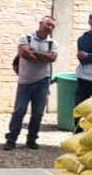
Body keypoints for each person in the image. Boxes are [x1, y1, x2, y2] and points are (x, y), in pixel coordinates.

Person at [5, 15, 59, 151]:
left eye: (52, 26)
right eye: (48, 24)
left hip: (43, 81)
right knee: (19, 111)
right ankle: (11, 139)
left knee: (38, 113)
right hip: (25, 81)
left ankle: (32, 139)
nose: (50, 28)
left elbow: (52, 58)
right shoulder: (26, 38)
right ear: (40, 23)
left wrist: (35, 53)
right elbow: (24, 54)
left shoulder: (53, 43)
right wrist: (43, 56)